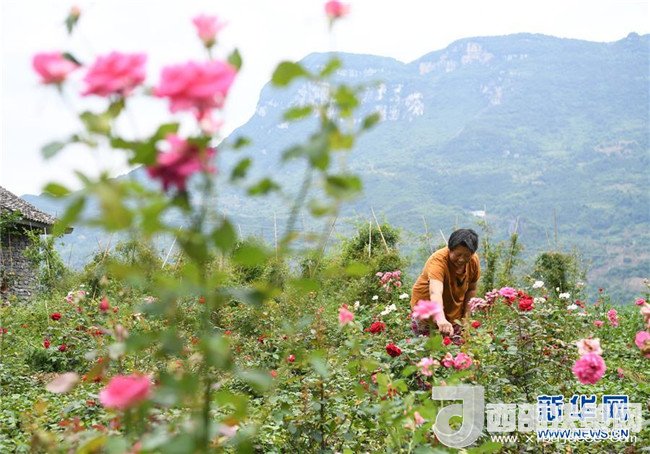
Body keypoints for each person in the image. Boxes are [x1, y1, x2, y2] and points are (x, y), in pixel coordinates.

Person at [410, 228, 481, 337]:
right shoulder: (438, 261)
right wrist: (440, 318)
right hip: (427, 314)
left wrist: (466, 318)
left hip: (454, 314)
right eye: (458, 254)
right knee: (427, 346)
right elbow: (436, 292)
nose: (461, 259)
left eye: (467, 256)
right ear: (450, 249)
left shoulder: (473, 261)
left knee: (456, 345)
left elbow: (471, 289)